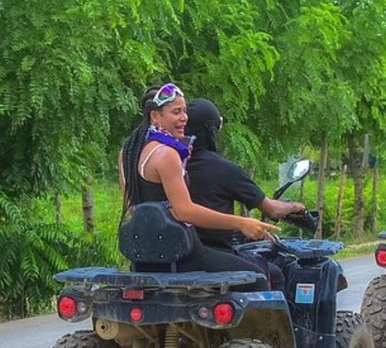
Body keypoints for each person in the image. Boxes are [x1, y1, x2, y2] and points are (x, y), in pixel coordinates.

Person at [118, 83, 278, 289]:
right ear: (155, 116)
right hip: (183, 256)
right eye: (176, 112)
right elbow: (185, 211)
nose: (184, 118)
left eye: (184, 111)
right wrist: (241, 223)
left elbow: (133, 208)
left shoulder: (128, 153)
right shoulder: (166, 154)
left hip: (145, 259)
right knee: (257, 276)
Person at [184, 98, 306, 250]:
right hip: (215, 252)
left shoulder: (173, 164)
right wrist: (295, 207)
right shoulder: (224, 169)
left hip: (179, 252)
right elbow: (273, 210)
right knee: (273, 271)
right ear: (212, 132)